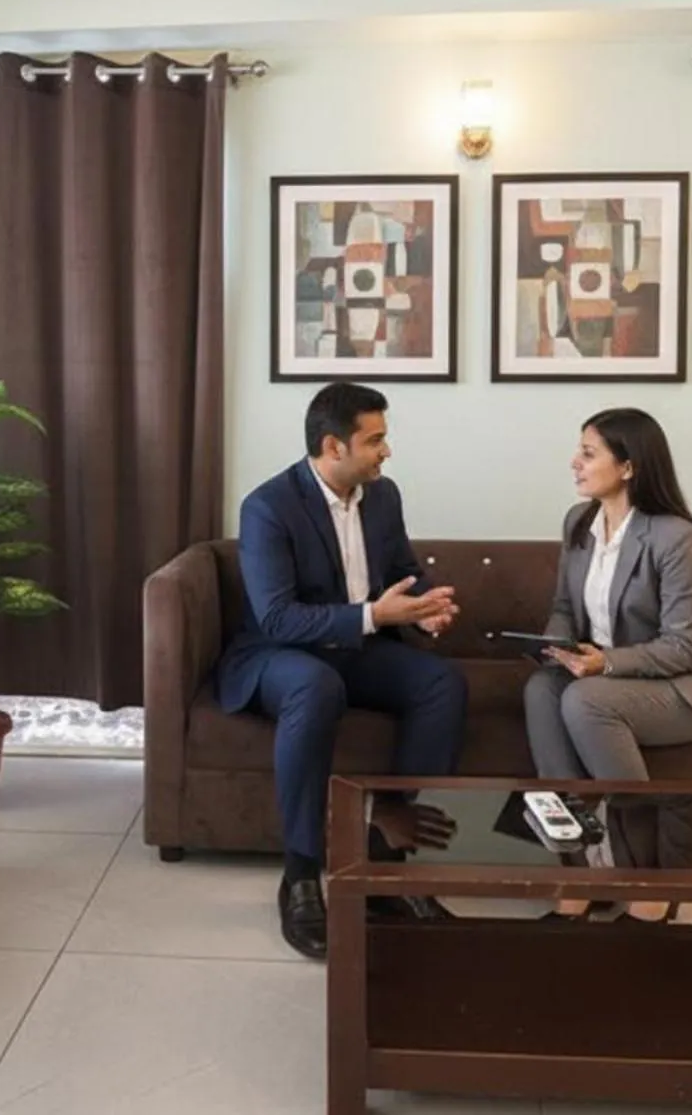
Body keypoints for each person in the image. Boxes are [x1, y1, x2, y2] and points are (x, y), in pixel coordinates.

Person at [214, 382, 470, 959]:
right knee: (314, 683)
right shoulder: (268, 507)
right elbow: (277, 617)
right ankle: (302, 875)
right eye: (375, 439)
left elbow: (403, 569)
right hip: (277, 657)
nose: (387, 451)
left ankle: (384, 860)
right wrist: (375, 615)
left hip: (357, 647)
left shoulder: (383, 496)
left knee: (441, 683)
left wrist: (426, 609)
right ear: (334, 446)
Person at [525, 408, 692, 920]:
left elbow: (685, 646)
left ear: (628, 467)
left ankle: (651, 878)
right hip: (607, 675)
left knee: (585, 700)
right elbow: (564, 608)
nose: (574, 463)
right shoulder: (579, 523)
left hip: (688, 685)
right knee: (542, 689)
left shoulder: (674, 538)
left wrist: (605, 664)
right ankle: (578, 869)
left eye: (588, 452)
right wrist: (556, 645)